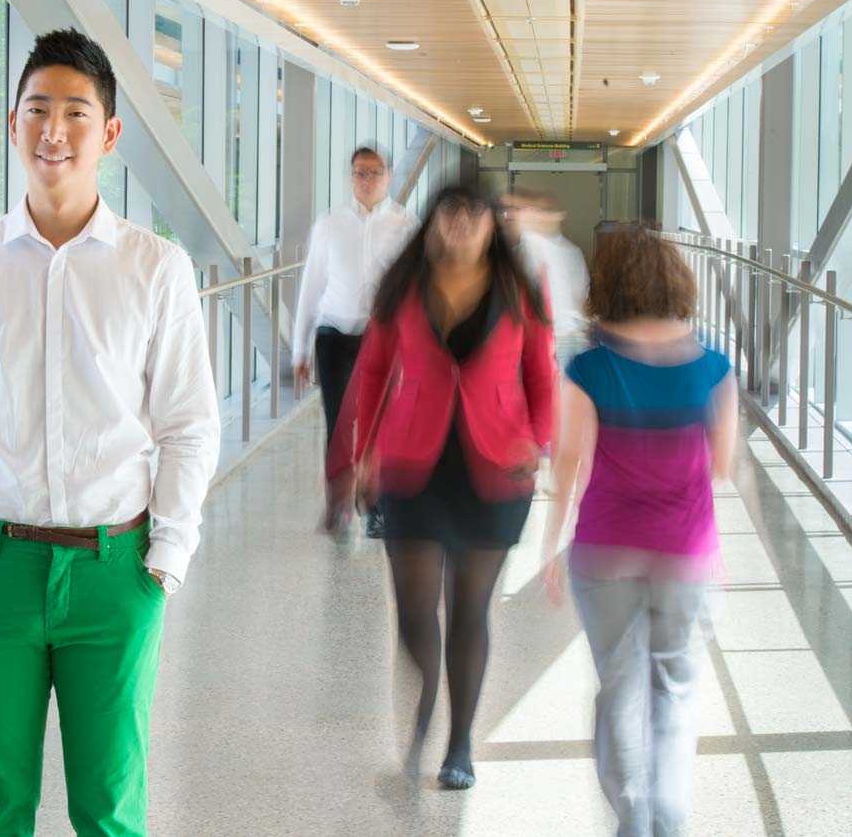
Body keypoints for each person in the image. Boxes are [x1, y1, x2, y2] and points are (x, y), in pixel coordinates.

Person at [0, 29, 220, 836]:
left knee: (110, 813)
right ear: (12, 125)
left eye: (76, 112)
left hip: (116, 573)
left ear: (108, 134)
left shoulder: (156, 268)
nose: (54, 129)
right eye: (37, 109)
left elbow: (187, 424)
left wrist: (165, 563)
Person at [325, 185, 555, 790]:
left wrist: (540, 439)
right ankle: (427, 688)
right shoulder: (403, 286)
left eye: (474, 214)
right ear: (431, 223)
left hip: (497, 467)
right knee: (415, 613)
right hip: (411, 464)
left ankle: (458, 744)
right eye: (450, 213)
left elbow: (541, 371)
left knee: (471, 611)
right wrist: (362, 451)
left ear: (490, 227)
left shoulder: (521, 289)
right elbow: (372, 369)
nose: (461, 225)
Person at [538, 225, 737, 837]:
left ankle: (633, 814)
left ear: (610, 287)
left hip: (606, 550)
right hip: (684, 550)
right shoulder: (713, 366)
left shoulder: (589, 368)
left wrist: (549, 543)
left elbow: (571, 460)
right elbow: (722, 465)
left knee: (621, 688)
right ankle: (669, 816)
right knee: (674, 686)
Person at [292, 147, 419, 538]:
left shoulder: (405, 225)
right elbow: (312, 284)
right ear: (351, 177)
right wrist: (300, 348)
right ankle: (339, 505)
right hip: (334, 335)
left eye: (375, 172)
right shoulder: (329, 224)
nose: (366, 180)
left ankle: (377, 507)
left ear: (389, 176)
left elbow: (416, 290)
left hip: (383, 337)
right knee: (339, 423)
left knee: (379, 426)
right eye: (359, 173)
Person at [506, 187, 590, 367]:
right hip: (554, 339)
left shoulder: (540, 247)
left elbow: (581, 302)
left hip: (560, 339)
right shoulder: (568, 251)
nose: (514, 215)